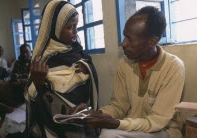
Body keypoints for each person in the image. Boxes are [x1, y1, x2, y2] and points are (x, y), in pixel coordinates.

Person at [71, 6, 185, 138]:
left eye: (131, 39)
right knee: (94, 130)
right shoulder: (125, 63)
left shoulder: (173, 67)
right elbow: (119, 107)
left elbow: (156, 122)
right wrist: (93, 113)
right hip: (133, 128)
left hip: (163, 131)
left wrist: (116, 124)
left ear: (152, 41)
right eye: (124, 36)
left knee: (108, 134)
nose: (123, 43)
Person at [24, 0, 99, 137]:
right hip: (58, 130)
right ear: (56, 28)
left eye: (77, 26)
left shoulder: (78, 52)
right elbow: (32, 98)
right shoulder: (41, 63)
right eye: (70, 27)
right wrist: (39, 84)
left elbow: (89, 89)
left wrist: (88, 68)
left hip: (83, 123)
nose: (75, 32)